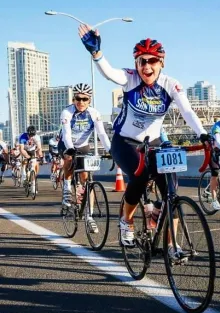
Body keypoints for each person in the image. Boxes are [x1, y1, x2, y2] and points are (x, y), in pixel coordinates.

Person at [78, 24, 210, 254]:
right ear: (136, 63)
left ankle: (172, 245)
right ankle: (125, 221)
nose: (147, 66)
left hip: (155, 142)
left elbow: (187, 111)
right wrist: (97, 53)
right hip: (125, 142)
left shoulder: (170, 84)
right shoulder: (130, 78)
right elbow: (109, 73)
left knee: (171, 191)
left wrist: (204, 135)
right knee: (139, 176)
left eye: (152, 61)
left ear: (162, 62)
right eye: (142, 61)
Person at [59, 82, 111, 234]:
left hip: (83, 145)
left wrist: (111, 151)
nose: (81, 102)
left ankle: (90, 216)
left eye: (85, 99)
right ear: (74, 99)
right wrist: (70, 148)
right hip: (67, 143)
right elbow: (67, 134)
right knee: (69, 158)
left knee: (86, 178)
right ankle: (67, 188)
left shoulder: (94, 113)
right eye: (78, 98)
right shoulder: (67, 112)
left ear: (90, 100)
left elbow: (102, 134)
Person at [19, 126, 43, 191]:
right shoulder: (22, 137)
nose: (31, 137)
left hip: (32, 150)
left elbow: (39, 148)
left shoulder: (37, 137)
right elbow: (21, 150)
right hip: (24, 150)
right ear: (27, 133)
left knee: (35, 164)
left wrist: (40, 156)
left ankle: (33, 179)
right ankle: (24, 176)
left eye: (33, 135)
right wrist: (27, 156)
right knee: (24, 162)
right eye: (30, 135)